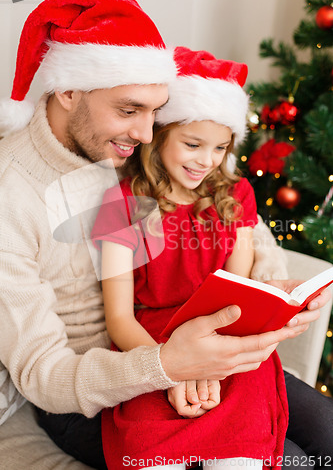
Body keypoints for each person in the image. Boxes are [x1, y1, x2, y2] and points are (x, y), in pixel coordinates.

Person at [0, 0, 331, 470]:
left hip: (186, 339)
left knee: (324, 431)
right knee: (286, 458)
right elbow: (44, 374)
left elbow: (233, 214)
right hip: (94, 385)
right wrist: (170, 368)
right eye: (130, 111)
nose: (147, 134)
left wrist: (266, 287)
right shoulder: (12, 197)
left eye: (156, 113)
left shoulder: (122, 146)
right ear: (68, 91)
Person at [91, 46, 288, 470]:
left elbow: (241, 299)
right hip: (151, 344)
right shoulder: (121, 203)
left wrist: (210, 366)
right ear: (159, 134)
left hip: (227, 341)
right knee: (150, 449)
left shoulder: (236, 196)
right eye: (193, 143)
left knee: (240, 452)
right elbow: (120, 320)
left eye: (220, 148)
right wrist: (172, 370)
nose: (207, 160)